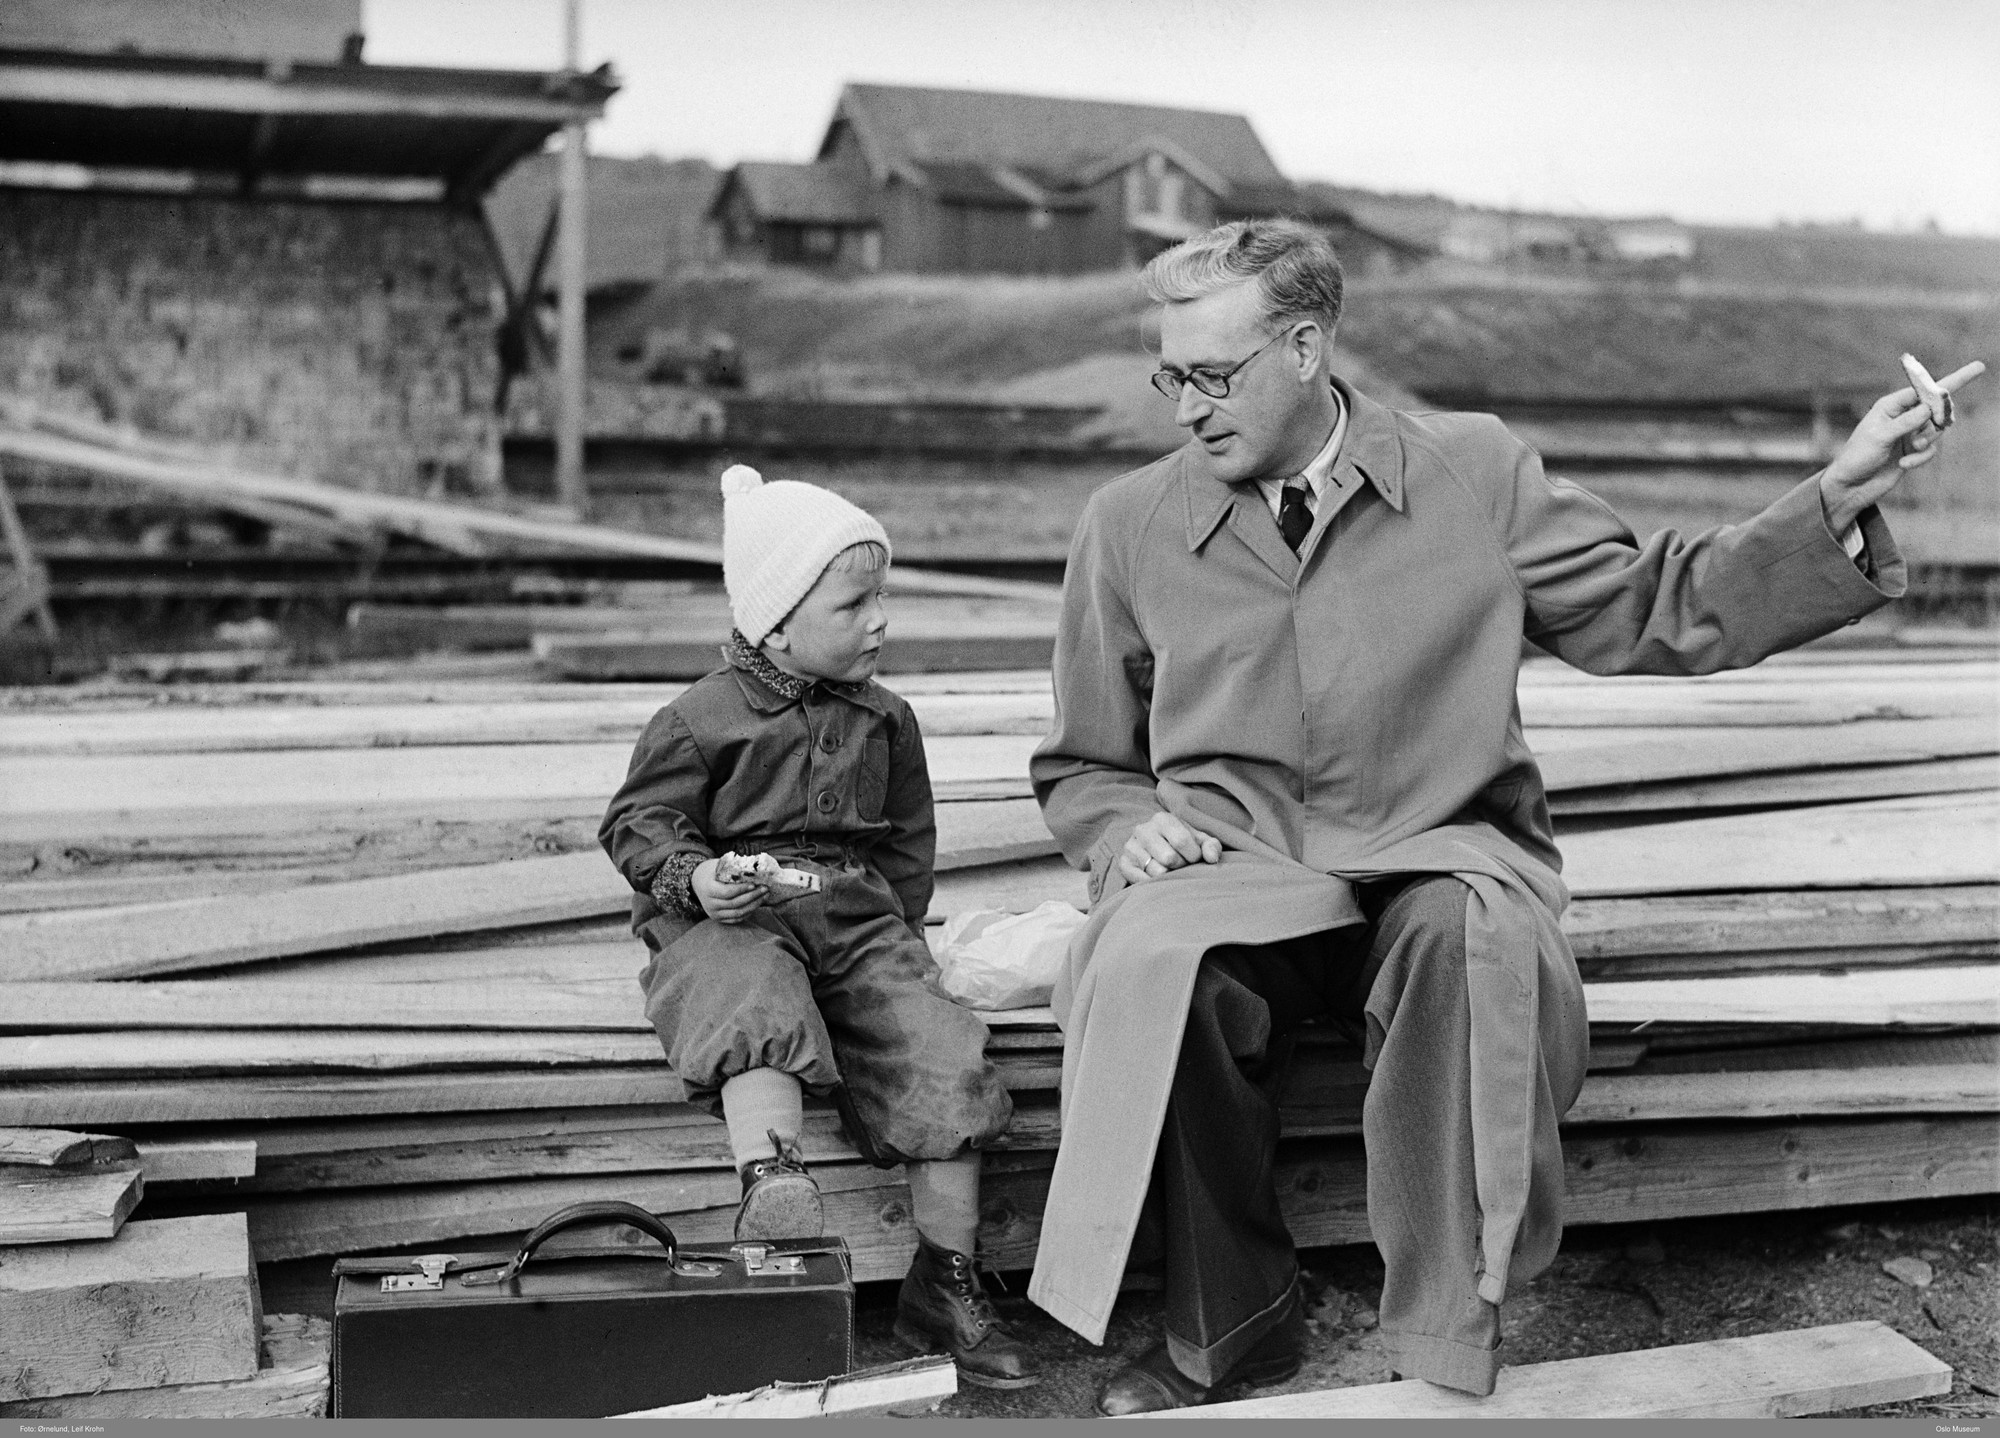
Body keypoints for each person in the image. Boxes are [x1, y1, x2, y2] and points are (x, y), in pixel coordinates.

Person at [1025, 218, 1982, 1415]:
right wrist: (1122, 829)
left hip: (1439, 843)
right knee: (1161, 966)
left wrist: (1830, 497)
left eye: (1210, 375)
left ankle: (1443, 1340)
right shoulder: (1124, 523)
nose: (1181, 407)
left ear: (1307, 348)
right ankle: (1231, 1329)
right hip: (1241, 860)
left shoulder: (1470, 472)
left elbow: (1653, 601)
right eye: (1167, 373)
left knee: (1462, 945)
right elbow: (1083, 761)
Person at [599, 464, 1039, 1389]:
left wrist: (893, 948)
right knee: (746, 989)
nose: (880, 620)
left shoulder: (887, 719)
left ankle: (944, 1281)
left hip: (850, 915)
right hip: (735, 914)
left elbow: (909, 843)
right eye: (855, 604)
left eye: (883, 599)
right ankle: (775, 1189)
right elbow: (637, 825)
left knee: (938, 1046)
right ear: (778, 618)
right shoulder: (699, 720)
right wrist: (695, 878)